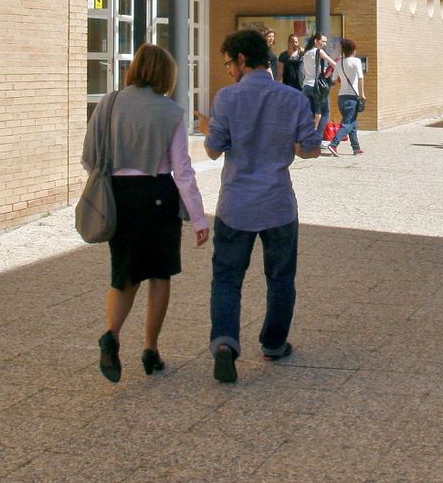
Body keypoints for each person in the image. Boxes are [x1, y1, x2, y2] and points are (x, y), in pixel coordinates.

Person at [85, 44, 209, 384]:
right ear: (166, 74)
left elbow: (89, 157)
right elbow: (183, 171)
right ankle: (150, 349)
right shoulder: (170, 113)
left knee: (124, 273)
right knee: (159, 275)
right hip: (157, 196)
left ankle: (111, 333)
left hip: (118, 197)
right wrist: (198, 218)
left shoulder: (109, 103)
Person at [206, 28, 322, 383]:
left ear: (242, 60)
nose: (227, 71)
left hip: (236, 205)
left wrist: (208, 129)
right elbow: (310, 149)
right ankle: (274, 343)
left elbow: (213, 149)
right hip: (277, 204)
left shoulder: (226, 99)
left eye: (228, 63)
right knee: (281, 278)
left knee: (227, 279)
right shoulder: (293, 99)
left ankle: (225, 344)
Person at [327, 38, 366, 156]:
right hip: (352, 97)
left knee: (352, 123)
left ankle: (356, 148)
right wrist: (362, 94)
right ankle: (334, 144)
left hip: (341, 97)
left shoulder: (339, 62)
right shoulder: (356, 61)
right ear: (353, 50)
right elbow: (360, 78)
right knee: (347, 123)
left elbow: (333, 79)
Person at [300, 35, 337, 137]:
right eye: (323, 41)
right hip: (317, 87)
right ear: (316, 41)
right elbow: (334, 64)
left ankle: (306, 136)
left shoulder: (306, 53)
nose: (325, 44)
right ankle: (317, 138)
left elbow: (304, 70)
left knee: (310, 113)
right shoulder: (318, 51)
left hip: (306, 85)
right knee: (325, 112)